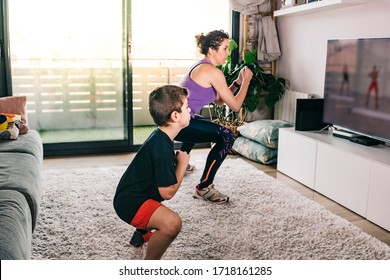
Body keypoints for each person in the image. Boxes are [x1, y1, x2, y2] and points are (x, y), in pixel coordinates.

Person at [175, 30, 253, 204]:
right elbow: (235, 105)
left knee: (199, 120)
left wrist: (237, 83)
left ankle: (181, 161)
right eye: (225, 48)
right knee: (227, 136)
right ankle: (204, 187)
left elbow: (218, 101)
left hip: (178, 119)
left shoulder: (204, 67)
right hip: (177, 123)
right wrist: (247, 81)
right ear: (212, 50)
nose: (228, 53)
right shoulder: (211, 71)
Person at [113, 85, 191, 260]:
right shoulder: (161, 147)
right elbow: (167, 192)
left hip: (131, 196)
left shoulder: (161, 137)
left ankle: (141, 233)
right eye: (187, 107)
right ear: (175, 116)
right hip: (131, 203)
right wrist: (182, 165)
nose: (190, 109)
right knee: (172, 224)